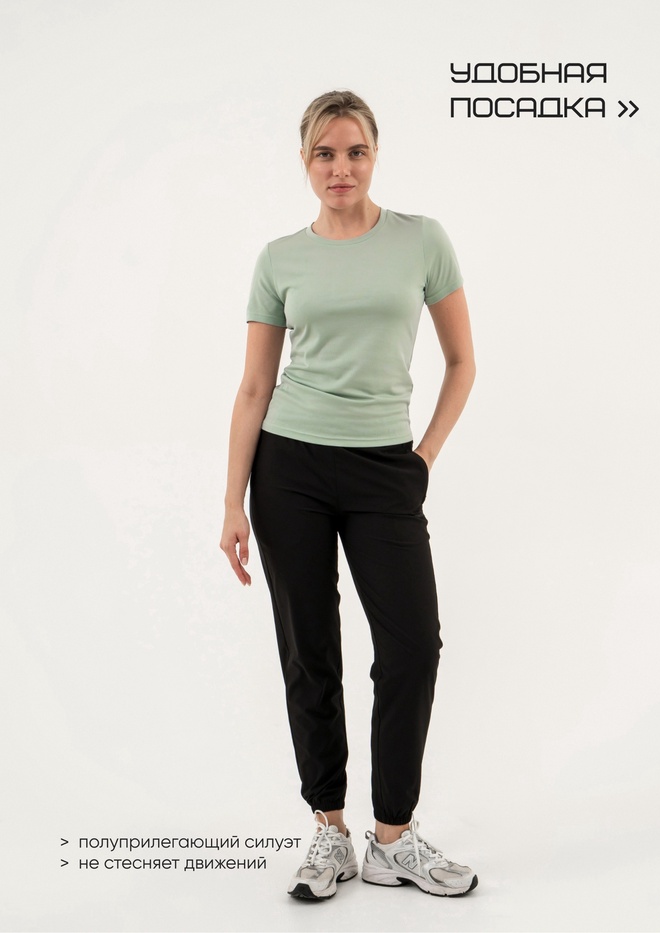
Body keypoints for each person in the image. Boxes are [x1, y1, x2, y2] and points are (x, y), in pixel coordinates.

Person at [220, 90, 477, 900]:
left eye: (355, 151)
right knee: (311, 650)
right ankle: (329, 829)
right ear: (305, 161)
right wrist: (232, 501)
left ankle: (392, 838)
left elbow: (463, 362)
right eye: (325, 154)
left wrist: (422, 457)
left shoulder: (421, 240)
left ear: (374, 155)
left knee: (413, 646)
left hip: (384, 468)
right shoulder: (279, 259)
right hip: (288, 468)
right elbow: (255, 385)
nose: (341, 167)